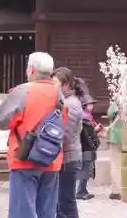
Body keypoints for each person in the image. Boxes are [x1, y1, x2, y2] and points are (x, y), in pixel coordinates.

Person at [0, 52, 66, 218]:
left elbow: (1, 121)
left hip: (24, 158)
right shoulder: (59, 94)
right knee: (47, 212)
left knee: (23, 212)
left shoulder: (22, 92)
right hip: (51, 158)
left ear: (31, 70)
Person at [51, 68, 84, 218]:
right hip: (67, 157)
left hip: (68, 158)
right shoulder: (65, 101)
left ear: (66, 85)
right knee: (62, 202)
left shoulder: (69, 104)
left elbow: (65, 135)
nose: (52, 86)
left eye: (55, 83)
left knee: (66, 202)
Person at [77, 94, 101, 200]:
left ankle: (83, 190)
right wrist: (95, 130)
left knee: (86, 169)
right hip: (86, 146)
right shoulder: (84, 118)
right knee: (85, 170)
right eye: (89, 104)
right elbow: (87, 132)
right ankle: (80, 192)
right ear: (84, 106)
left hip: (86, 145)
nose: (91, 106)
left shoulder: (87, 116)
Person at [106, 100, 122, 200]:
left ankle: (116, 191)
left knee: (116, 164)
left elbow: (110, 114)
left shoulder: (119, 100)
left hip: (116, 136)